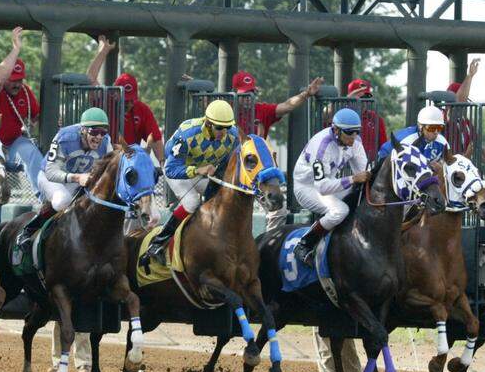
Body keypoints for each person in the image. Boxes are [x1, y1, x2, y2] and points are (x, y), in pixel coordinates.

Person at [142, 100, 240, 265]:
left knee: (222, 198)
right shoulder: (188, 133)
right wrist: (196, 170)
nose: (224, 133)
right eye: (219, 128)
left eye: (227, 128)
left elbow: (226, 164)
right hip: (179, 170)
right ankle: (158, 243)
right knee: (192, 201)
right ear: (208, 123)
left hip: (204, 171)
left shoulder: (233, 136)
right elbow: (171, 169)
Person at [17, 107, 112, 251]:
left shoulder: (106, 142)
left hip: (80, 180)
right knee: (63, 200)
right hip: (53, 178)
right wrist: (76, 177)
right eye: (94, 132)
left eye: (103, 132)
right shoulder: (65, 137)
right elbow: (50, 171)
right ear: (83, 130)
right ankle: (29, 230)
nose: (99, 137)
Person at [291, 108, 371, 267]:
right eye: (349, 133)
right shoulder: (322, 146)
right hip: (307, 187)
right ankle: (304, 244)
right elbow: (322, 188)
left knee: (360, 196)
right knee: (339, 210)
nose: (353, 138)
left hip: (328, 182)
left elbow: (364, 172)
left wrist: (362, 178)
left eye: (357, 132)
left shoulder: (355, 142)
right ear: (336, 130)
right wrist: (354, 178)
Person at [85, 36, 164, 162]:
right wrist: (103, 51)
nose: (128, 103)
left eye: (131, 100)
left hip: (128, 161)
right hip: (101, 159)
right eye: (125, 100)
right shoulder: (104, 101)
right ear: (114, 93)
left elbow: (155, 138)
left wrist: (162, 163)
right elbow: (90, 79)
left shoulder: (142, 109)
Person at [0, 26, 43, 196]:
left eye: (20, 80)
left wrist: (38, 125)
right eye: (12, 80)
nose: (16, 84)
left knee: (32, 153)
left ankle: (45, 198)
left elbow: (37, 116)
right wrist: (16, 49)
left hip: (13, 144)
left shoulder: (26, 91)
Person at [231, 70, 324, 138]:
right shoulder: (228, 110)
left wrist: (306, 93)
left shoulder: (262, 110)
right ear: (235, 92)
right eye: (245, 93)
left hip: (256, 160)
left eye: (251, 92)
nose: (248, 97)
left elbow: (288, 105)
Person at [377, 106, 450, 164]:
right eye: (432, 128)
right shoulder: (405, 141)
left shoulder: (443, 142)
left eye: (439, 127)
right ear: (421, 127)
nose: (436, 132)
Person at [345, 78, 388, 159]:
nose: (363, 101)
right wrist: (346, 100)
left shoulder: (376, 118)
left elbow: (384, 147)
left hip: (368, 167)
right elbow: (325, 117)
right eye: (359, 97)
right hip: (344, 167)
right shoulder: (341, 114)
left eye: (366, 97)